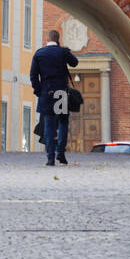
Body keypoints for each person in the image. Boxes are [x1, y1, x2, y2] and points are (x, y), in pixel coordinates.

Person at [30, 28, 79, 167]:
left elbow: (33, 75)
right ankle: (61, 153)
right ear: (58, 39)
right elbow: (74, 62)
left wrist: (38, 90)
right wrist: (66, 51)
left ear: (47, 39)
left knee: (48, 125)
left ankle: (50, 158)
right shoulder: (62, 52)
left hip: (46, 93)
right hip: (61, 93)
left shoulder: (39, 54)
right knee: (63, 123)